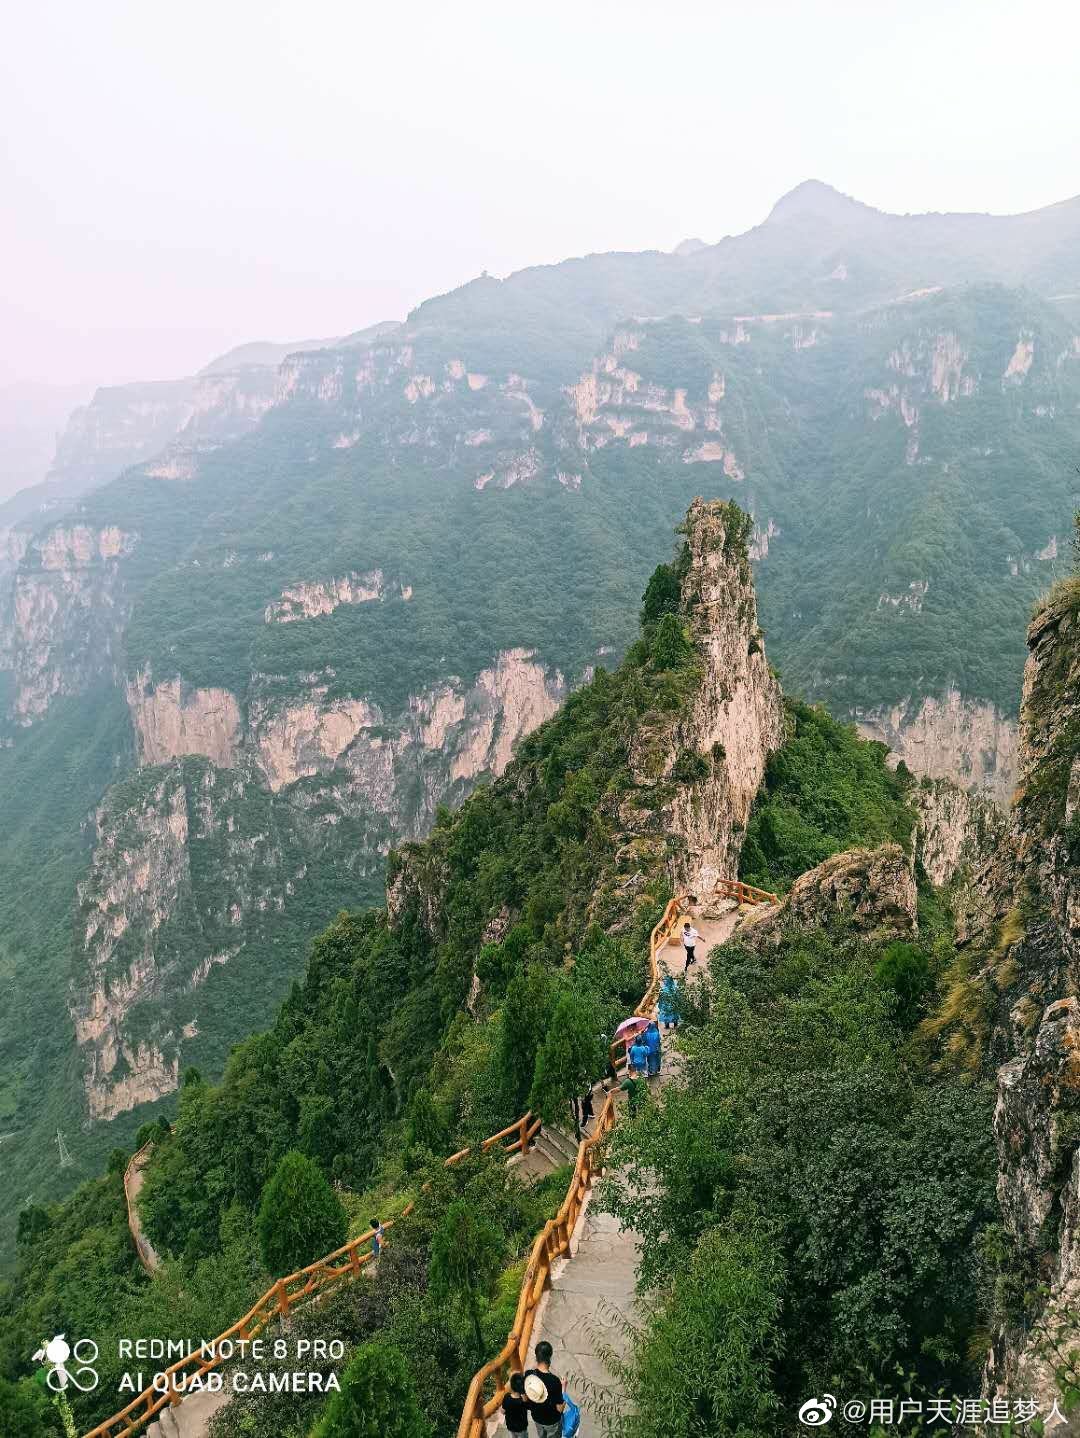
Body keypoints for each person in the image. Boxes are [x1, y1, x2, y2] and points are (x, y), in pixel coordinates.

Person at [524, 1341, 564, 1437]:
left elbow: (526, 1398)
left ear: (536, 1356)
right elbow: (560, 1409)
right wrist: (564, 1387)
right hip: (551, 1422)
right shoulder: (554, 1381)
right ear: (550, 1356)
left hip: (537, 1418)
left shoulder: (529, 1374)